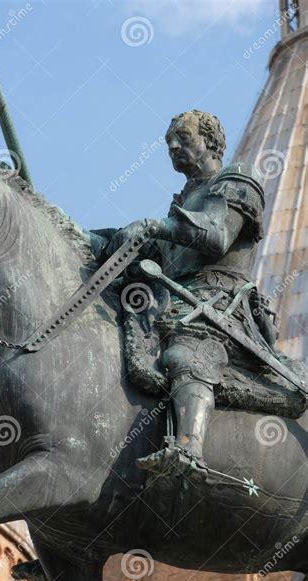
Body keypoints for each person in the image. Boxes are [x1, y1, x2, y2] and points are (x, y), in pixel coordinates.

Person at [91, 109, 269, 475]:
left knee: (186, 354)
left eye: (183, 137)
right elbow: (151, 252)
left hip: (218, 306)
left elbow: (217, 234)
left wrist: (153, 224)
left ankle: (189, 452)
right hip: (174, 300)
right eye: (169, 141)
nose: (173, 145)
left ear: (210, 141)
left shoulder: (239, 178)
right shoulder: (184, 200)